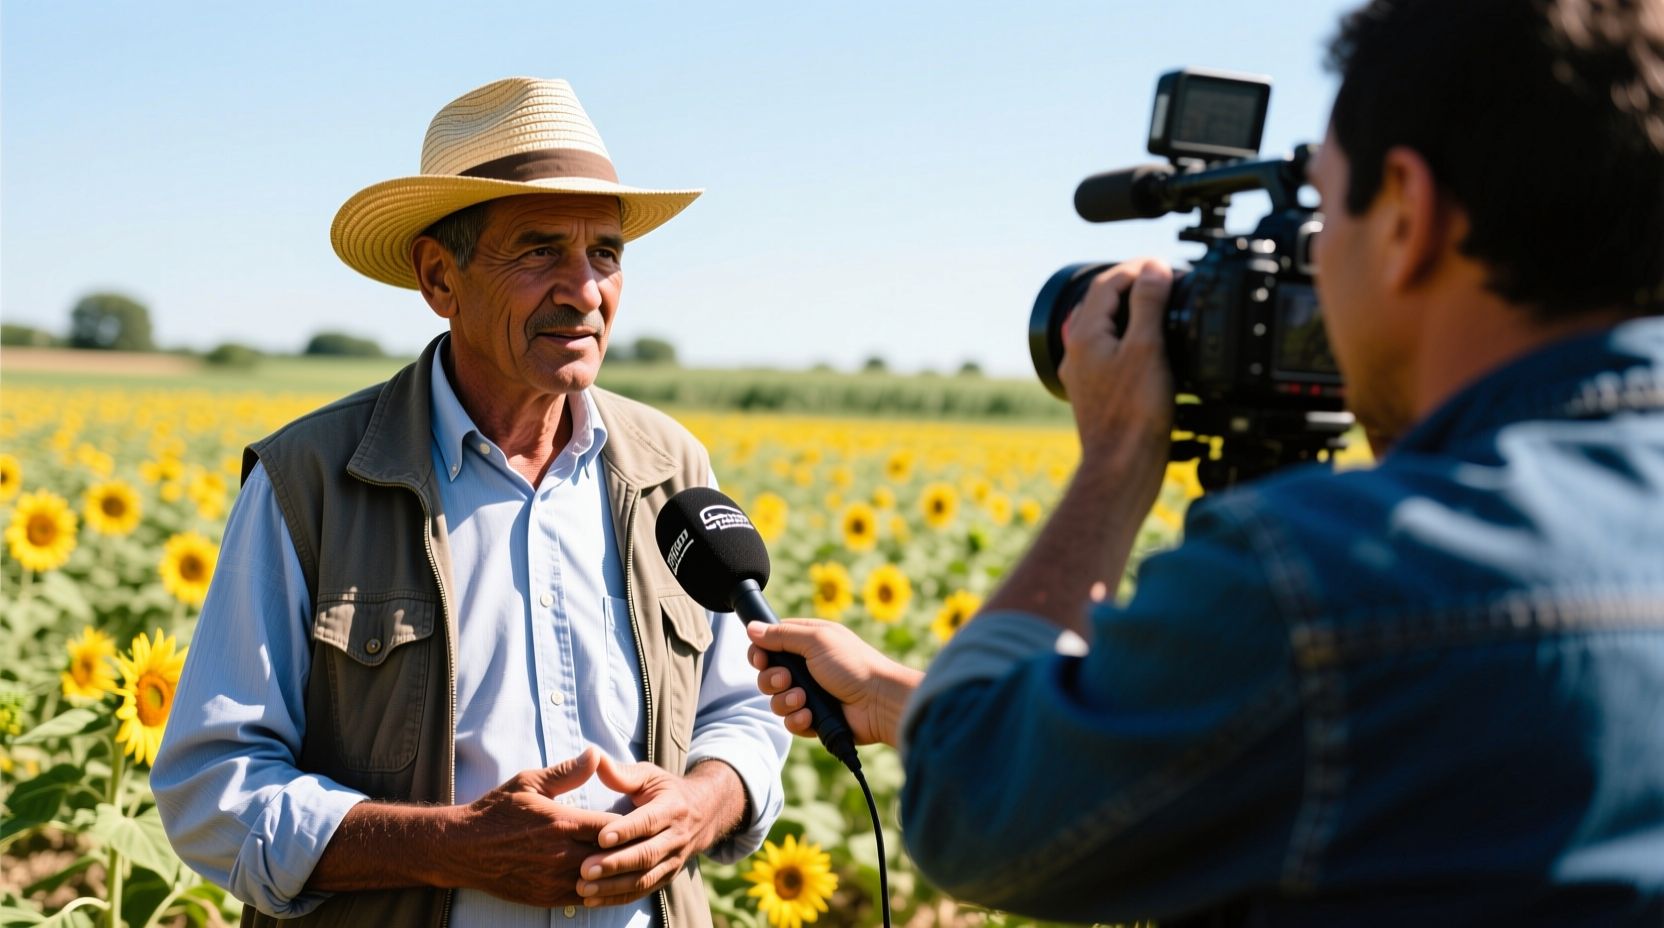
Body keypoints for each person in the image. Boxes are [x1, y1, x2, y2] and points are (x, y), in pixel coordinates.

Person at [748, 0, 1664, 923]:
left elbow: (974, 805)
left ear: (1405, 219)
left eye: (1325, 223)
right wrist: (908, 697)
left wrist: (1115, 459)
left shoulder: (1321, 579)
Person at [152, 77, 789, 928]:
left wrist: (702, 804)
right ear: (438, 276)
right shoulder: (310, 483)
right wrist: (452, 844)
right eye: (539, 251)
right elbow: (214, 789)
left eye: (606, 252)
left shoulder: (670, 467)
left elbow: (743, 705)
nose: (584, 289)